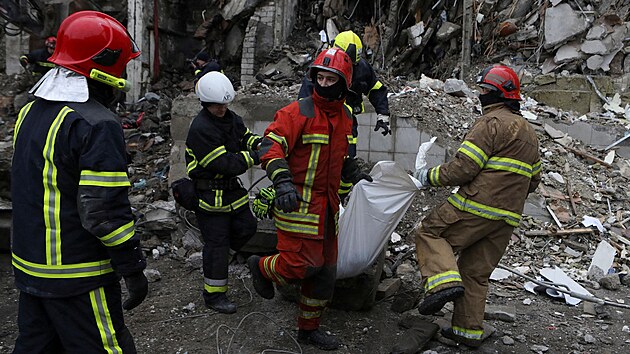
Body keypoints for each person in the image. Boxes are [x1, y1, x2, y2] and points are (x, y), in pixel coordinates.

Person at [11, 11, 148, 353]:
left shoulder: (29, 111)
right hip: (78, 274)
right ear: (106, 66)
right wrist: (132, 265)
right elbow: (103, 213)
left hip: (30, 268)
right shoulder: (97, 123)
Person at [247, 47, 373, 351]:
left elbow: (339, 156)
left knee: (325, 274)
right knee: (298, 266)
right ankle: (261, 266)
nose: (324, 84)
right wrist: (282, 182)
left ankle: (308, 330)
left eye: (331, 79)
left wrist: (354, 171)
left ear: (344, 83)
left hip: (327, 209)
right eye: (320, 77)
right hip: (296, 204)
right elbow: (269, 147)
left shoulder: (344, 115)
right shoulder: (296, 112)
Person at [412, 65, 541, 348]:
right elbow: (534, 181)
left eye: (484, 90)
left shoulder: (490, 123)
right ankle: (467, 333)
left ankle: (442, 285)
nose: (480, 95)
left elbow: (464, 169)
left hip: (477, 205)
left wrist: (428, 176)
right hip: (507, 218)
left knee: (430, 232)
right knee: (474, 272)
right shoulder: (530, 133)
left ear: (495, 94)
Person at [185, 71, 261, 314]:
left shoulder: (230, 117)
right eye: (217, 105)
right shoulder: (201, 128)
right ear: (205, 103)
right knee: (216, 245)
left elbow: (244, 137)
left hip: (231, 194)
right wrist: (257, 156)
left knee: (248, 226)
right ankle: (214, 295)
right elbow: (226, 163)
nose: (222, 109)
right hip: (209, 198)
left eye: (225, 104)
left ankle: (221, 259)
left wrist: (261, 143)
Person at [298, 30, 390, 199]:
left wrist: (383, 114)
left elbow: (376, 88)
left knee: (348, 159)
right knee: (320, 162)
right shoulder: (322, 68)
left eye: (352, 65)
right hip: (320, 123)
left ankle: (340, 199)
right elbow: (304, 102)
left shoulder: (361, 68)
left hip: (347, 122)